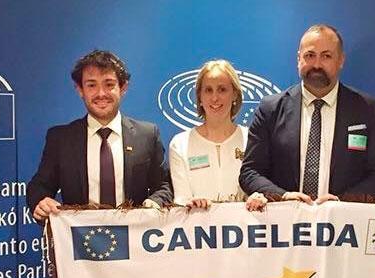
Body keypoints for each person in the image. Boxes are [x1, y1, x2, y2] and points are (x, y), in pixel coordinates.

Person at [239, 24, 375, 210]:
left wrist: (343, 202)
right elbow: (250, 171)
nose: (317, 65)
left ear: (341, 60)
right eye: (310, 55)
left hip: (346, 227)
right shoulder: (270, 109)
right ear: (298, 59)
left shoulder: (367, 109)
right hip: (285, 225)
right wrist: (283, 197)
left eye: (326, 56)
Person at [27, 50, 172, 221]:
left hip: (136, 241)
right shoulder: (61, 139)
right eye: (91, 85)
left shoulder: (147, 135)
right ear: (80, 90)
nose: (101, 93)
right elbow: (39, 186)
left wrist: (154, 203)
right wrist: (41, 201)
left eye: (109, 84)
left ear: (123, 87)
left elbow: (164, 186)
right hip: (80, 243)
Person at [169, 60, 248, 209]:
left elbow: (257, 191)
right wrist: (190, 204)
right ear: (199, 97)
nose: (214, 98)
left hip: (243, 230)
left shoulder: (251, 139)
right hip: (197, 229)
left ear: (235, 94)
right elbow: (181, 200)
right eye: (208, 90)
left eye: (222, 89)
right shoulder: (180, 144)